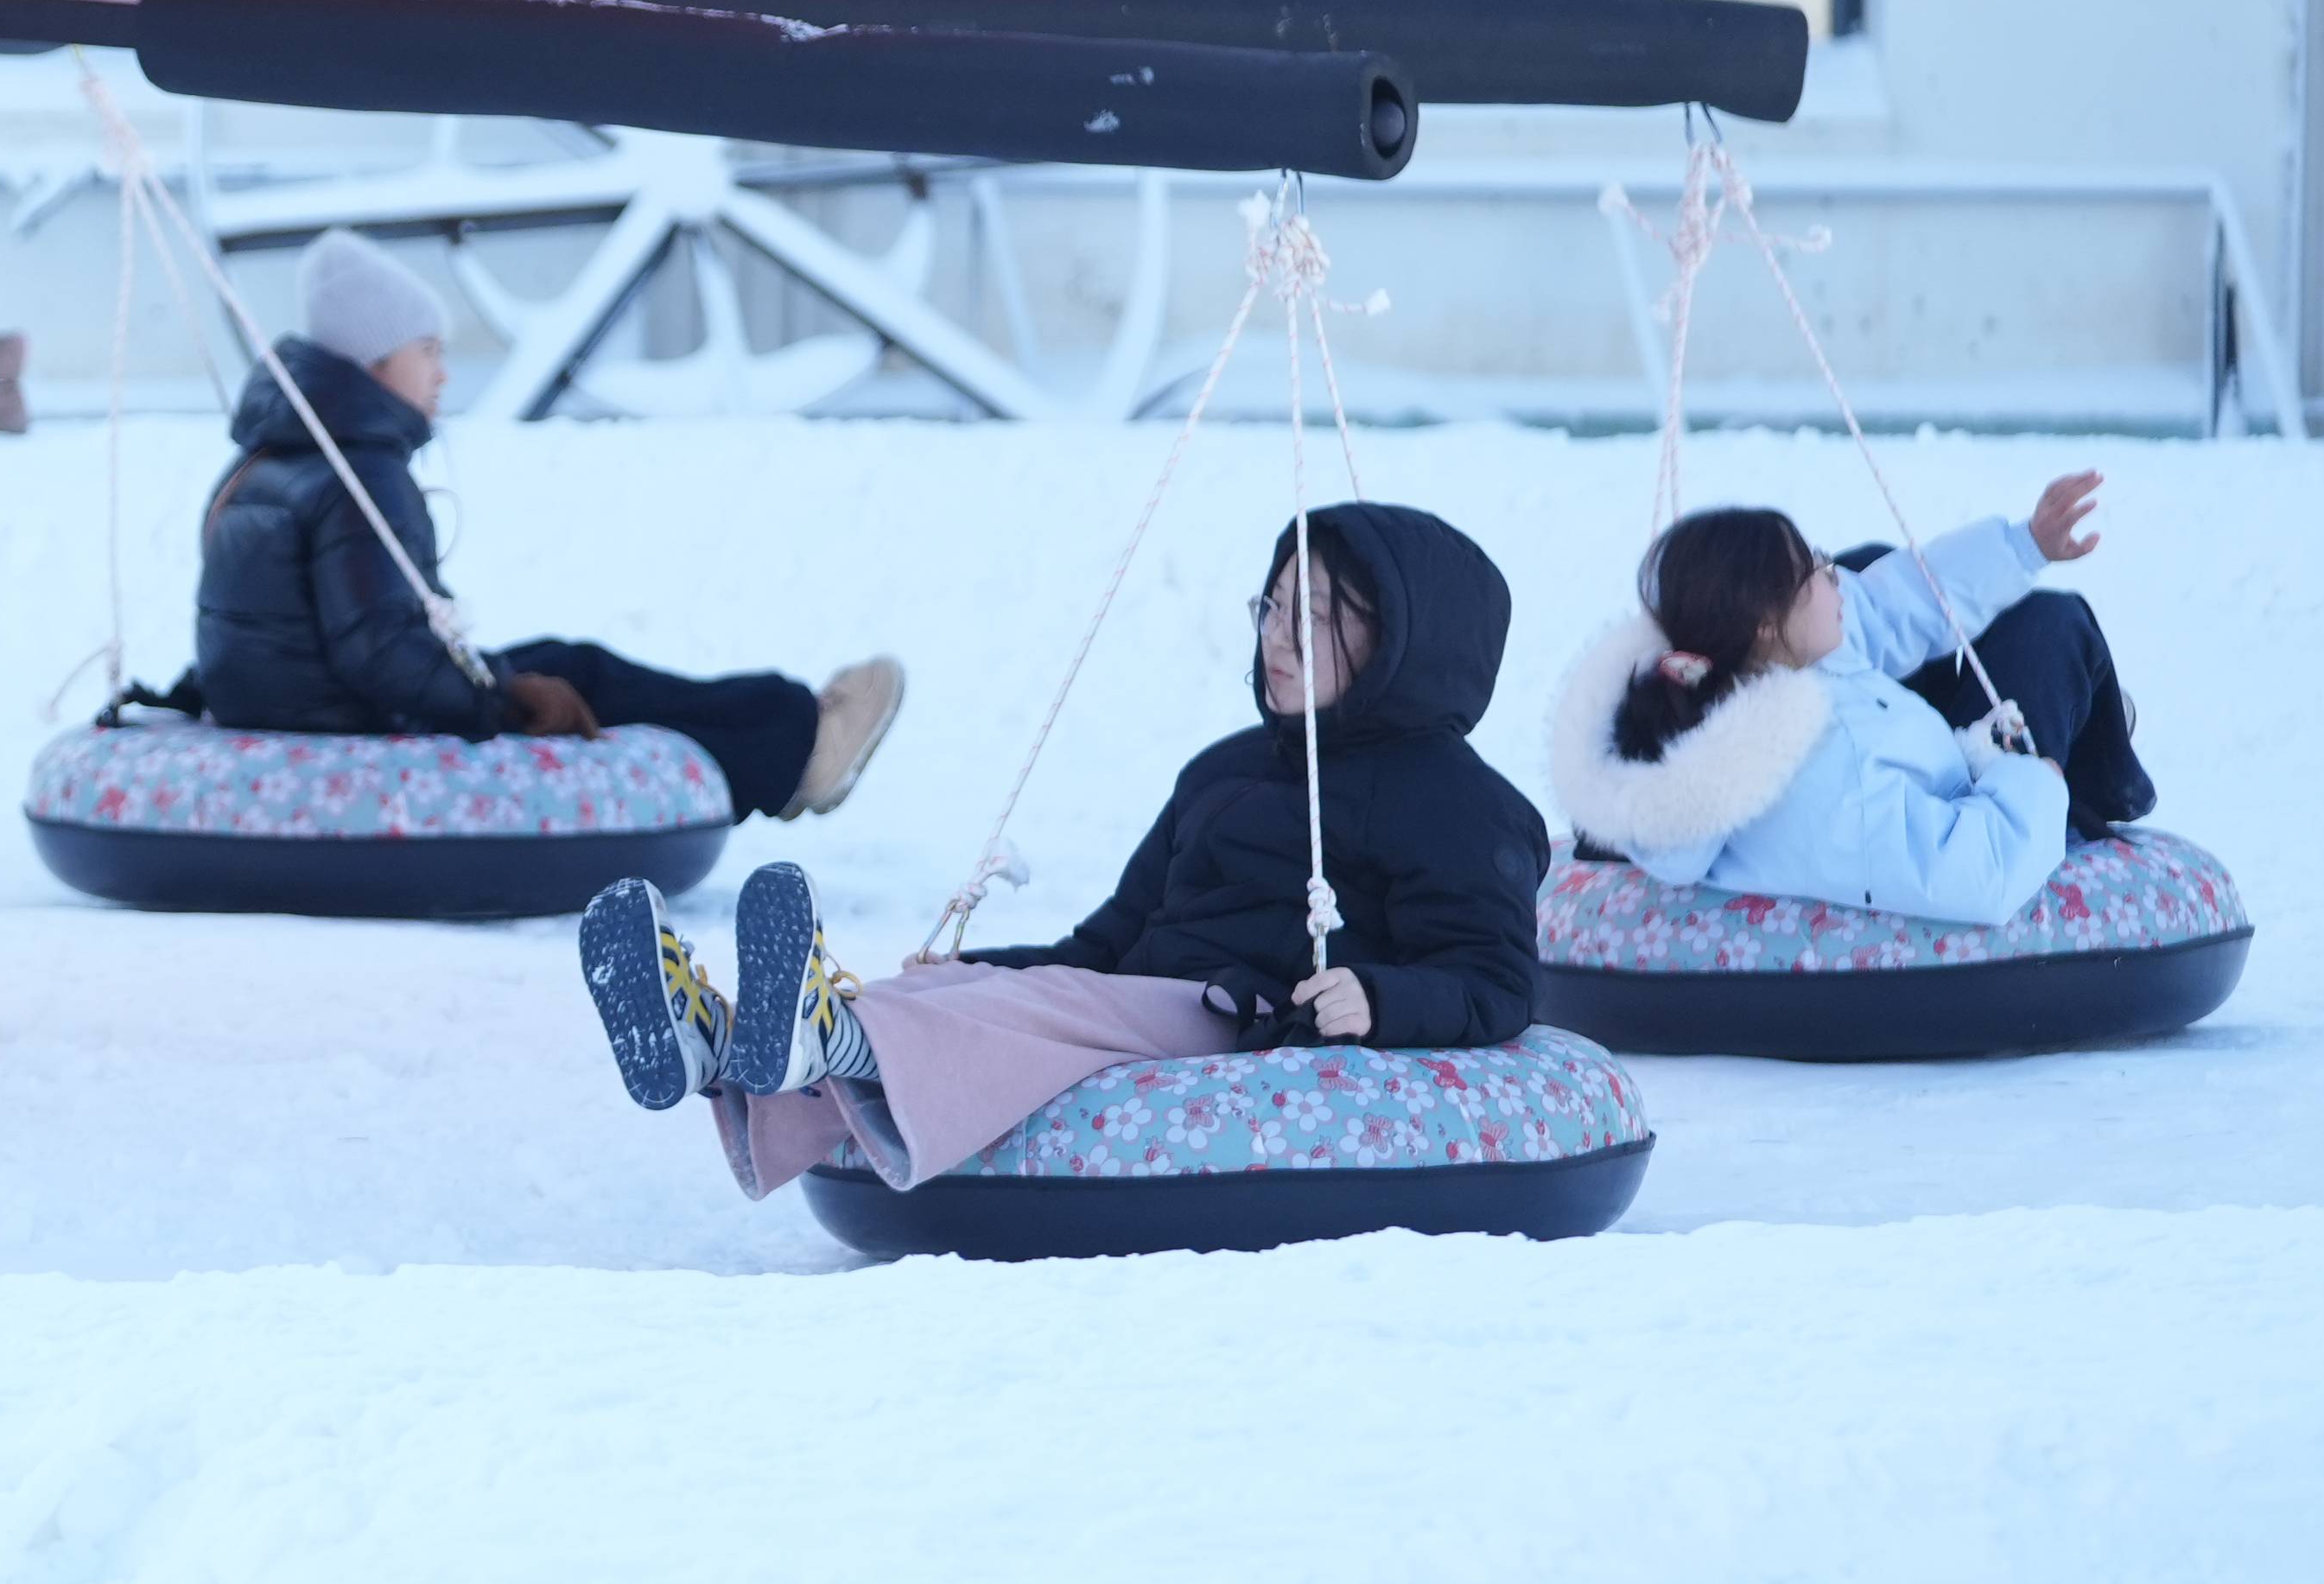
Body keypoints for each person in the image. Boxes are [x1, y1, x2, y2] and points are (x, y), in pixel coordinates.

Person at [575, 499, 1543, 1203]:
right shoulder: (1227, 770)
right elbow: (1108, 942)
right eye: (1270, 605)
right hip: (1138, 998)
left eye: (1314, 615)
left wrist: (1380, 997)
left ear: (1405, 641)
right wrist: (977, 968)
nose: (1277, 638)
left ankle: (823, 1038)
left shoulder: (1458, 805)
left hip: (1250, 1019)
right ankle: (716, 1047)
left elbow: (1494, 978)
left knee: (1049, 1006)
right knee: (963, 996)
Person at [178, 227, 902, 824]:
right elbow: (379, 655)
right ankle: (801, 745)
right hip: (352, 718)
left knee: (563, 665)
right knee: (579, 679)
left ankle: (790, 727)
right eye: (428, 351)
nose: (442, 373)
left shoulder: (265, 462)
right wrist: (498, 698)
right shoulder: (361, 474)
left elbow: (292, 629)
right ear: (375, 363)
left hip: (313, 706)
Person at [1537, 476, 2143, 930]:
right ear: (1766, 623)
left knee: (1871, 565)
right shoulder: (1827, 775)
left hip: (1913, 748)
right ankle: (2100, 769)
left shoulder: (1753, 664)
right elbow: (1975, 872)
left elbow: (1891, 603)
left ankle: (2080, 712)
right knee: (2056, 627)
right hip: (1983, 798)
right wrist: (2034, 782)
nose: (1831, 575)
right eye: (1816, 569)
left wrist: (2024, 546)